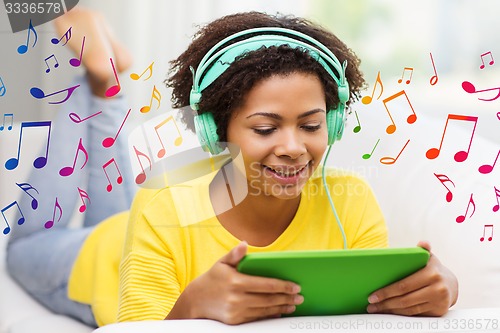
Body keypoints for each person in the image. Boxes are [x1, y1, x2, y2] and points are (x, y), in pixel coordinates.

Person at [8, 9, 459, 328]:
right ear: (214, 133)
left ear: (334, 122)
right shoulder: (162, 205)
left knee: (120, 200)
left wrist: (442, 288)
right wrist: (191, 308)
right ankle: (96, 76)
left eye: (311, 125)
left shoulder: (353, 203)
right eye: (265, 129)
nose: (293, 148)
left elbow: (366, 312)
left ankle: (104, 83)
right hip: (92, 259)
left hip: (142, 229)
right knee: (26, 243)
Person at [6, 8, 136, 328]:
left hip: (128, 240)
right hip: (121, 259)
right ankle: (101, 81)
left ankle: (104, 85)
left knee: (117, 226)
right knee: (30, 241)